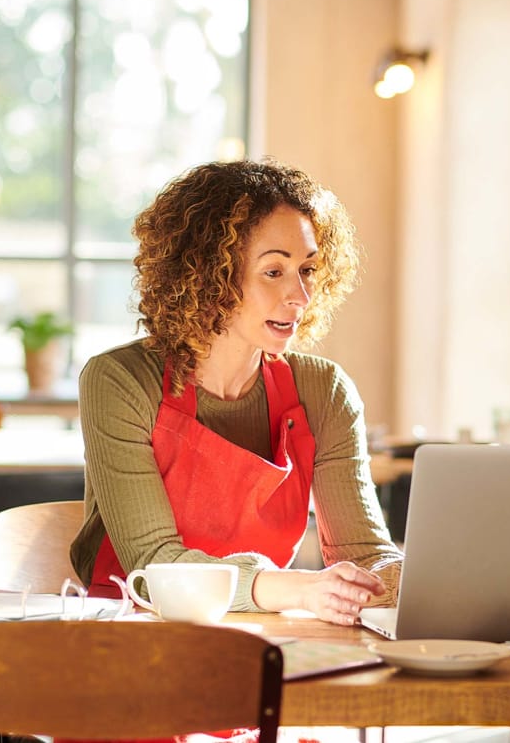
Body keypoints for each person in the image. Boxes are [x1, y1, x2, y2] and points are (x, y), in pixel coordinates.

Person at [70, 159, 399, 626]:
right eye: (273, 272)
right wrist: (299, 590)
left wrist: (420, 576)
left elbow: (366, 553)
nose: (300, 297)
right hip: (130, 630)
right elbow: (153, 564)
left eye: (307, 270)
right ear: (209, 276)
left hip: (262, 631)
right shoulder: (120, 380)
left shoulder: (323, 390)